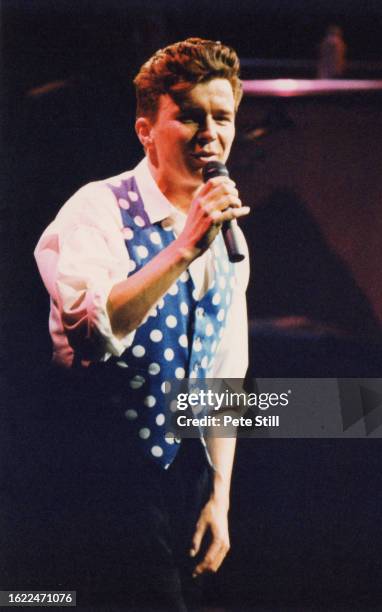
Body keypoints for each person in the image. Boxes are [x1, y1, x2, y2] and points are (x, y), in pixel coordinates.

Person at [34, 37, 250, 610]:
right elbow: (91, 333)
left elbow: (225, 377)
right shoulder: (97, 208)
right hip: (100, 479)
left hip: (185, 480)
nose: (211, 133)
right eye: (190, 116)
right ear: (146, 131)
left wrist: (221, 497)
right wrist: (183, 246)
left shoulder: (230, 235)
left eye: (222, 117)